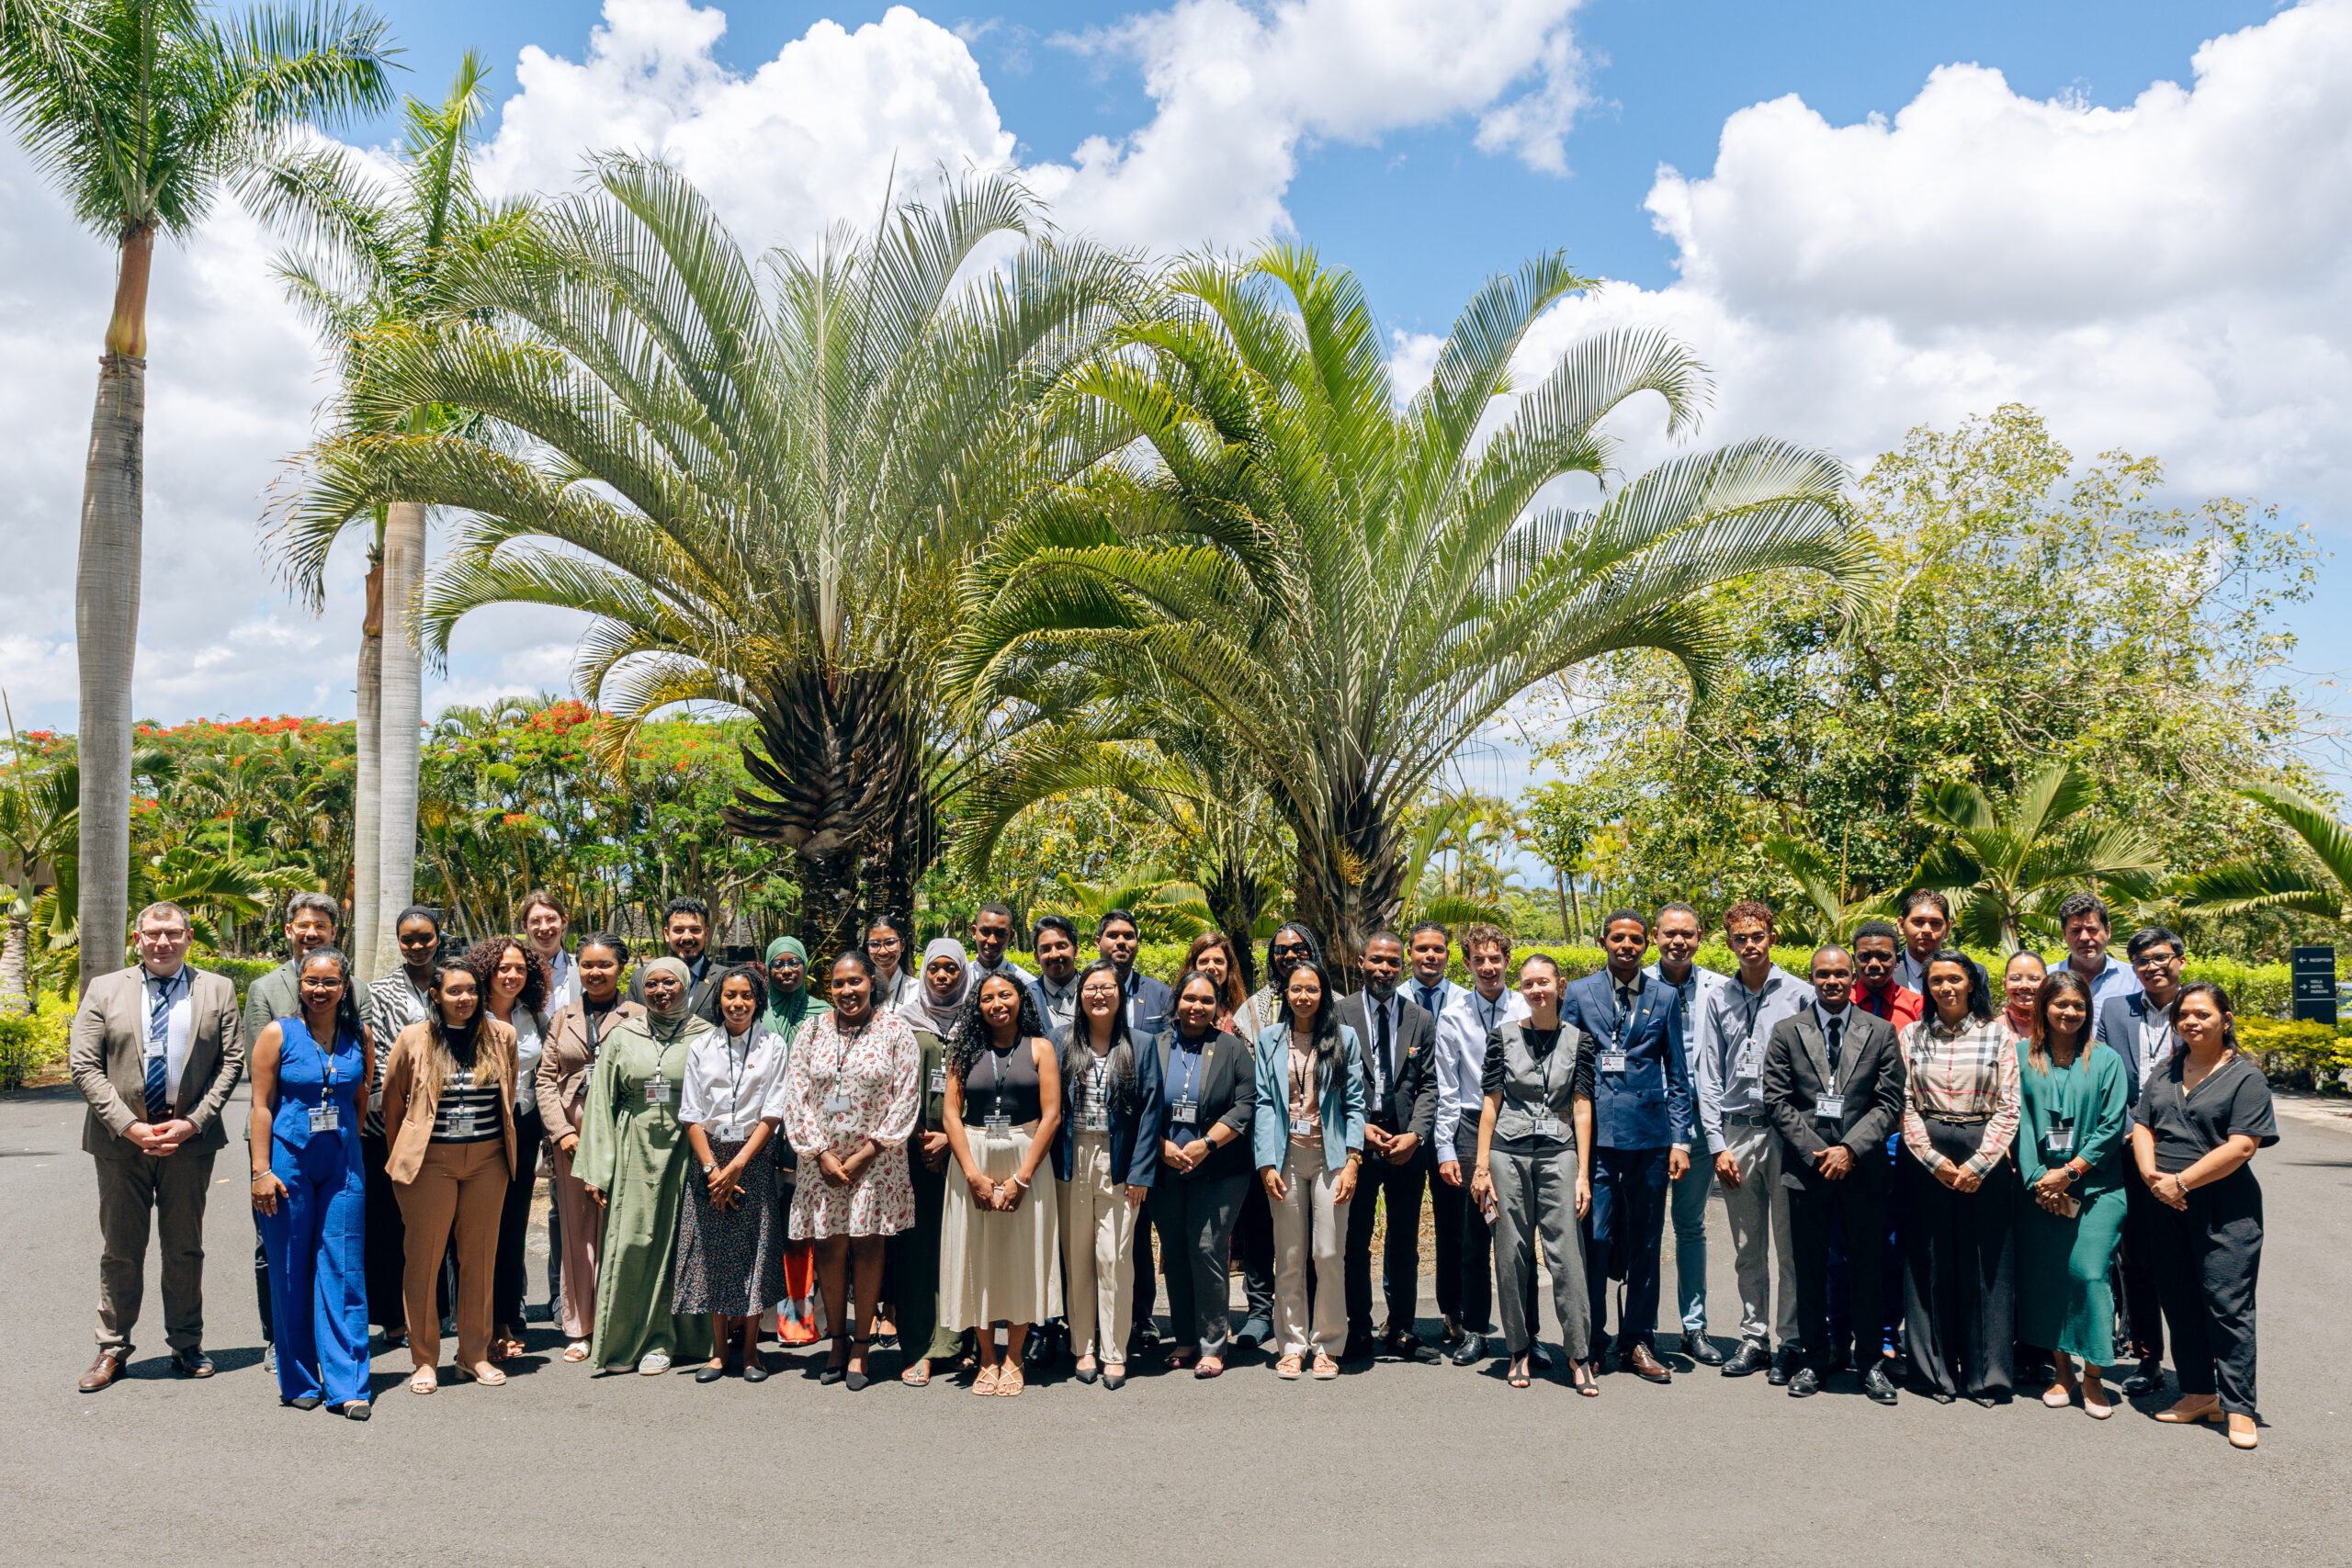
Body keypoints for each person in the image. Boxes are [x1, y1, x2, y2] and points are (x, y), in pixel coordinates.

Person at [70, 900, 244, 1391]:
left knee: (185, 1248)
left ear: (189, 937)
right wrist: (130, 1126)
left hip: (190, 1142)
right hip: (120, 1143)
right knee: (121, 1249)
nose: (162, 942)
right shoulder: (105, 989)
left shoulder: (217, 989)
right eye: (152, 934)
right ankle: (112, 1348)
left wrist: (193, 1122)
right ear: (137, 938)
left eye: (172, 933)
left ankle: (187, 1343)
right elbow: (84, 1064)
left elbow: (231, 1063)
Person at [2134, 982, 2275, 1450]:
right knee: (2179, 1300)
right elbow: (2142, 1124)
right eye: (2184, 1016)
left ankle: (2239, 1407)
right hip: (2164, 1201)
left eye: (2202, 1014)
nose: (2191, 1022)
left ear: (2226, 1019)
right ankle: (2199, 1393)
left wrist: (2183, 1182)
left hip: (2224, 1208)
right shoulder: (2167, 1069)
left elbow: (2242, 1146)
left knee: (2227, 1305)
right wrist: (2154, 1177)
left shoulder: (2245, 1077)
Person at [1763, 945, 1905, 1404]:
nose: (1832, 981)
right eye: (1823, 974)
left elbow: (1889, 1103)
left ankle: (1870, 1363)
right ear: (1812, 977)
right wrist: (1820, 1151)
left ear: (1852, 978)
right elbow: (1777, 1101)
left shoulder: (1880, 1032)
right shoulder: (1787, 1032)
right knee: (1810, 1269)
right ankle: (1813, 1359)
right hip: (1806, 1172)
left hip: (1863, 1171)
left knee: (1867, 1267)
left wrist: (1849, 1150)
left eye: (1841, 974)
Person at [1562, 909, 1693, 1384]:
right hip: (1593, 1139)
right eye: (1618, 938)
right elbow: (1567, 1063)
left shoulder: (1664, 995)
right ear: (1603, 941)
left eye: (1636, 939)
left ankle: (1637, 1340)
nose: (1627, 946)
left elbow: (1678, 1075)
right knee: (1594, 1240)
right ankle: (1592, 1340)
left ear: (1647, 944)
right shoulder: (1578, 993)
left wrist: (1680, 1138)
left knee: (1646, 1241)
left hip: (1650, 1139)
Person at [380, 957, 519, 1394]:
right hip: (430, 1162)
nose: (465, 999)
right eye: (455, 991)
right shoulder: (413, 1038)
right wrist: (403, 1158)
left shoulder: (502, 1036)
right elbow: (392, 1103)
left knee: (479, 1258)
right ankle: (424, 1359)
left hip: (487, 1161)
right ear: (435, 996)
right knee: (424, 1259)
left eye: (472, 991)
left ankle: (473, 1354)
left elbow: (508, 1094)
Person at [575, 956, 718, 1377]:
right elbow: (601, 1100)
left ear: (686, 985)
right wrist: (599, 1168)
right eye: (651, 984)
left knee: (681, 1245)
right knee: (632, 1242)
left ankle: (670, 1341)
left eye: (669, 983)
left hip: (689, 1149)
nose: (660, 991)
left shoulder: (705, 1036)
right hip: (634, 1146)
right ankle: (625, 1341)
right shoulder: (623, 1035)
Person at [784, 951, 921, 1391]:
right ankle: (837, 1340)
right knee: (827, 1247)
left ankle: (862, 1345)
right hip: (819, 1161)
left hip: (876, 1161)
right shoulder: (811, 1029)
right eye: (839, 984)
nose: (847, 991)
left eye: (856, 982)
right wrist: (818, 1152)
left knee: (866, 1246)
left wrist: (868, 1151)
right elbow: (796, 1094)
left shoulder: (896, 1030)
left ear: (871, 982)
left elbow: (906, 1096)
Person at [1689, 901, 1809, 1382]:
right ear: (1729, 943)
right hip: (1738, 1132)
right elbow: (1709, 1073)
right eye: (1740, 938)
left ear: (1772, 938)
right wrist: (1717, 1144)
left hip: (1785, 1134)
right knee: (1747, 1244)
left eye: (1758, 935)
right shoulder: (1719, 997)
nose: (1750, 945)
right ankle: (1753, 1337)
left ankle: (1793, 1339)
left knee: (1791, 1244)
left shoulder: (1800, 994)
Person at [247, 946, 371, 1416]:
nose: (320, 990)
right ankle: (298, 1377)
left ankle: (348, 1385)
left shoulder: (359, 1034)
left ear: (345, 987)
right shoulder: (278, 1034)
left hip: (341, 1164)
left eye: (330, 982)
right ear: (300, 984)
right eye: (311, 981)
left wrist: (348, 1148)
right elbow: (261, 1105)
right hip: (287, 1165)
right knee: (290, 1268)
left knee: (343, 1269)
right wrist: (261, 1170)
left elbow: (360, 1098)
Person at [1899, 950, 2022, 1404]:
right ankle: (1933, 1374)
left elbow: (2010, 1106)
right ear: (1927, 987)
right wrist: (1931, 1159)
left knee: (1985, 1266)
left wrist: (1978, 1165)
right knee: (1928, 1264)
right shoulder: (1912, 1035)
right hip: (1925, 1152)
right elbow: (1904, 1102)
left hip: (1981, 1149)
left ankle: (1984, 1376)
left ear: (1972, 982)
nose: (1946, 988)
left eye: (1955, 979)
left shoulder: (1998, 1036)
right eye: (1936, 981)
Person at [1470, 953, 1597, 1393]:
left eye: (1544, 982)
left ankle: (1579, 1354)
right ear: (1520, 990)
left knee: (1567, 1256)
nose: (1537, 990)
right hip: (1507, 1153)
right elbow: (1491, 1104)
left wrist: (1582, 1172)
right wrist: (1482, 1166)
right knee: (1510, 1253)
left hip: (1559, 1154)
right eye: (1528, 984)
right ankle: (1518, 1350)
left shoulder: (1580, 1040)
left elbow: (1582, 1106)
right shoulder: (1502, 1037)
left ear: (1560, 985)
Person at [940, 972, 1065, 1395]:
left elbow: (1052, 1116)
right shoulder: (962, 1049)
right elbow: (950, 1115)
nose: (997, 1003)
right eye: (988, 997)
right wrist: (973, 1175)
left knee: (1022, 1258)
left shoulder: (1041, 1049)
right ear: (978, 1005)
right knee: (975, 1258)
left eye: (1006, 995)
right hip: (972, 1160)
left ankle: (1014, 1357)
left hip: (1025, 1161)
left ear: (1020, 1000)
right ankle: (987, 1358)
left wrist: (1022, 1178)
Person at [2012, 968, 2129, 1418]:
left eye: (2078, 1006)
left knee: (2088, 1274)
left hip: (2098, 1189)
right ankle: (2063, 1372)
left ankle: (2095, 1376)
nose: (2070, 1012)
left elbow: (2112, 1125)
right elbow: (2016, 1120)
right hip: (2038, 1190)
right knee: (2049, 1278)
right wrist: (2040, 1178)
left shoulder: (2106, 1060)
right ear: (2043, 1007)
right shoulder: (2021, 1055)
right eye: (2061, 1004)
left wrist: (2070, 1173)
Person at [1252, 956, 1365, 1381]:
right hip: (1284, 1158)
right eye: (1296, 989)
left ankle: (1328, 1343)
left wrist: (1354, 1159)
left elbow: (1355, 1103)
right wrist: (1266, 1163)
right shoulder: (1269, 1039)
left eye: (1312, 989)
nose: (1303, 996)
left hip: (1330, 1158)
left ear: (1324, 994)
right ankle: (1292, 1344)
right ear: (1285, 991)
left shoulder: (1345, 1039)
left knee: (1329, 1253)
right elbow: (1265, 1103)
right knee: (1291, 1255)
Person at [676, 964, 791, 1382]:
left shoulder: (773, 1045)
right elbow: (690, 1113)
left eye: (746, 995)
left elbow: (773, 1111)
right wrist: (712, 1170)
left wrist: (738, 1164)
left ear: (757, 1000)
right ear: (718, 1000)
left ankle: (750, 1353)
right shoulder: (701, 1045)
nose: (738, 1003)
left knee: (753, 1251)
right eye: (730, 995)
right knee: (712, 1255)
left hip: (753, 1156)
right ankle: (718, 1353)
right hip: (709, 1157)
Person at [239, 890, 340, 1360]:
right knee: (275, 1241)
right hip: (277, 1133)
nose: (311, 932)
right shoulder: (265, 988)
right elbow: (261, 1073)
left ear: (333, 931)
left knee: (326, 1239)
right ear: (288, 930)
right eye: (303, 924)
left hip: (333, 1138)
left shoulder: (348, 981)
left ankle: (322, 1334)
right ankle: (280, 1337)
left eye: (320, 925)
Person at [1053, 959, 1160, 1388]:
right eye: (1091, 987)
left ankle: (1116, 1351)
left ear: (1121, 994)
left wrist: (1141, 1172)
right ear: (1080, 995)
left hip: (1120, 1163)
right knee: (1077, 1257)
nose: (1100, 994)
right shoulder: (1061, 1041)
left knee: (1114, 1258)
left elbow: (1153, 1113)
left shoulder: (1142, 1044)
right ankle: (1084, 1346)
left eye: (1108, 987)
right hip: (1072, 1160)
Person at [1336, 931, 1440, 1362]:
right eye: (1376, 960)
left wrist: (1416, 1134)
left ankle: (1401, 1328)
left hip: (1404, 1146)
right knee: (1355, 1240)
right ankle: (1357, 1328)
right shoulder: (1337, 1013)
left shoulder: (1420, 1018)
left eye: (1393, 962)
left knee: (1404, 1241)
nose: (1384, 969)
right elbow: (1330, 1082)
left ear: (1403, 966)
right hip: (1356, 1143)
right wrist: (1358, 1127)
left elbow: (1431, 1084)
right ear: (1362, 962)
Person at [537, 934, 640, 1363]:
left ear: (621, 969)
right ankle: (580, 1326)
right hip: (573, 1139)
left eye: (605, 965)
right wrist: (562, 1131)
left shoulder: (639, 1016)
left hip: (622, 1133)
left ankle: (621, 1324)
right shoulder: (563, 1018)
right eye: (587, 965)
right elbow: (545, 1078)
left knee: (620, 1229)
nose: (595, 973)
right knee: (577, 1232)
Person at [1434, 922, 1533, 1368]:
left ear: (1507, 961)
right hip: (1472, 1126)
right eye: (1479, 960)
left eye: (1496, 959)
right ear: (1468, 964)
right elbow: (1447, 1089)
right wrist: (1447, 1150)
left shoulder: (1527, 1007)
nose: (1488, 967)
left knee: (1521, 1238)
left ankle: (1526, 1335)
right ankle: (1475, 1329)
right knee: (1474, 1236)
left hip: (1522, 1124)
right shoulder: (1454, 1015)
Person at [1148, 969, 1256, 1375]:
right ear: (1177, 1001)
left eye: (1206, 1000)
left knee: (1208, 1250)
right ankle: (1186, 1338)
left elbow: (1246, 1104)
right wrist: (1162, 1147)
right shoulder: (1153, 1046)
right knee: (1175, 1253)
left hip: (1221, 1168)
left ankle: (1213, 1343)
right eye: (1190, 999)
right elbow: (1137, 1104)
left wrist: (1206, 1143)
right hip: (1165, 1166)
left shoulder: (1231, 1048)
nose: (1197, 1007)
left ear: (1217, 1006)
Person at [2095, 925, 2188, 1393]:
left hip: (2188, 1155)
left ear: (2180, 961)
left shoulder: (2197, 1007)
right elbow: (2106, 1079)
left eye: (2160, 957)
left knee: (2187, 1260)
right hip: (2129, 1152)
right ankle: (2148, 1360)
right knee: (2136, 1261)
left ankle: (2198, 1363)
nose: (2152, 967)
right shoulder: (2115, 1009)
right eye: (2142, 961)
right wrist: (2132, 1134)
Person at [1646, 902, 1731, 1366]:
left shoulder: (1720, 988)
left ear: (1700, 937)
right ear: (1656, 936)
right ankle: (1639, 1330)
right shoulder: (1636, 984)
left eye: (1688, 934)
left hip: (1699, 1124)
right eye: (1669, 934)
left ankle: (1693, 1327)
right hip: (1646, 1125)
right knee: (1641, 1230)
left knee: (1691, 1227)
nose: (1678, 941)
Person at [1231, 920, 1322, 1350]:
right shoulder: (1252, 1009)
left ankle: (1311, 1311)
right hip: (1264, 1135)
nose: (1289, 955)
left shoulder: (1332, 1003)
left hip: (1318, 1141)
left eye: (1298, 948)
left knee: (1309, 1233)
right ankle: (1259, 1310)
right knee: (1259, 1227)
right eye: (1281, 949)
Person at [364, 905, 443, 1349]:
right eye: (408, 939)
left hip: (450, 1126)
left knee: (442, 1225)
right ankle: (393, 1316)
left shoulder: (454, 982)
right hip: (389, 1126)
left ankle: (440, 1310)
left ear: (438, 937)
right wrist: (393, 1103)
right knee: (392, 1225)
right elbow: (372, 1055)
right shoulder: (378, 993)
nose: (416, 946)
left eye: (424, 937)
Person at [469, 934, 551, 1360]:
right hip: (480, 1128)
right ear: (486, 970)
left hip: (524, 1125)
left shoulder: (531, 1016)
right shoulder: (467, 1012)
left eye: (520, 968)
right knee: (477, 1230)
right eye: (503, 967)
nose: (512, 974)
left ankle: (504, 1318)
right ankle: (476, 1324)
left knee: (512, 1227)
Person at [1847, 917, 1921, 1369]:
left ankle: (1888, 1334)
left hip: (1895, 1140)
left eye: (1884, 956)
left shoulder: (1915, 1006)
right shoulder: (1838, 999)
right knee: (1843, 1245)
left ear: (1898, 958)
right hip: (1839, 1141)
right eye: (1865, 956)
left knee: (1891, 1244)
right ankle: (1843, 1332)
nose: (1874, 963)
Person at [888, 982, 964, 1388]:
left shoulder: (975, 1021)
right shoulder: (904, 1021)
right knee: (917, 1254)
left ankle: (957, 1345)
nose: (943, 976)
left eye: (952, 967)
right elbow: (890, 1089)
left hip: (965, 1155)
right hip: (912, 1156)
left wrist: (952, 1139)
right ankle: (920, 1347)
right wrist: (920, 1137)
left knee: (959, 1250)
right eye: (935, 967)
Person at [1405, 920, 1468, 1345]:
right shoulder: (1394, 999)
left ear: (1449, 955)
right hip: (1406, 1130)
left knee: (1454, 1225)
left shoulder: (1465, 1001)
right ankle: (1399, 1316)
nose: (1431, 956)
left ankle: (1454, 1312)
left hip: (1453, 1129)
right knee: (1403, 1227)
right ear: (1410, 953)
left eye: (1439, 949)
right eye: (1423, 949)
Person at [761, 938, 826, 1348]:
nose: (786, 970)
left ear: (805, 967)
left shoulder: (824, 1013)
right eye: (779, 963)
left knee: (808, 1228)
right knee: (771, 1228)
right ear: (768, 969)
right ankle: (768, 1316)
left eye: (794, 962)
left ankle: (807, 1317)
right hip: (764, 1133)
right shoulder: (756, 1010)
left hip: (812, 1134)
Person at [627, 897, 725, 1023]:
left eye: (695, 930)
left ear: (706, 934)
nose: (687, 937)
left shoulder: (724, 979)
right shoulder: (640, 979)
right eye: (679, 930)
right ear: (667, 934)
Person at [2056, 892, 2143, 1009]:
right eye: (2076, 931)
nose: (2084, 937)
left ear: (2108, 930)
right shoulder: (2046, 977)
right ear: (2064, 934)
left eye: (2092, 929)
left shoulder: (2135, 978)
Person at [1098, 908, 1173, 1040]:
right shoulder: (1083, 991)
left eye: (1128, 936)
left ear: (1137, 944)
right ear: (1098, 942)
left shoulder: (1162, 994)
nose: (1121, 941)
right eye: (1113, 935)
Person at [1181, 931, 1250, 1033]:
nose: (1211, 967)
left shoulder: (1242, 1009)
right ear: (1194, 967)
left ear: (1228, 967)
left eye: (1218, 961)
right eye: (1204, 961)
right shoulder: (1183, 1009)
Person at [522, 889, 579, 1012]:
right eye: (535, 921)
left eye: (551, 919)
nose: (544, 928)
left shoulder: (582, 970)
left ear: (564, 921)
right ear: (525, 926)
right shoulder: (514, 973)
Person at [1028, 914, 1082, 1035]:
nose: (1054, 955)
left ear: (1076, 951)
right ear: (1037, 957)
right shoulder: (1026, 997)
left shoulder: (1096, 990)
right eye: (1046, 949)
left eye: (1061, 946)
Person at [1894, 890, 1951, 997]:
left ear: (1947, 929)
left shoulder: (1971, 974)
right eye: (1918, 922)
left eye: (1935, 923)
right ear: (1901, 926)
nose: (1927, 930)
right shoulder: (1882, 974)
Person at [968, 903, 1034, 989]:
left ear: (1010, 936)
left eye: (1000, 934)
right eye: (985, 932)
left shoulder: (1027, 984)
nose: (992, 941)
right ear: (974, 932)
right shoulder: (959, 980)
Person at [865, 917, 919, 1013]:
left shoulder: (918, 991)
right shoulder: (860, 989)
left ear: (902, 945)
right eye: (874, 944)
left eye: (890, 943)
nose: (883, 951)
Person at [1999, 950, 2046, 1043]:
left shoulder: (2058, 1024)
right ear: (2005, 984)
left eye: (2034, 979)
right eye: (2015, 979)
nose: (2024, 986)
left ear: (2046, 982)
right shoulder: (1994, 1028)